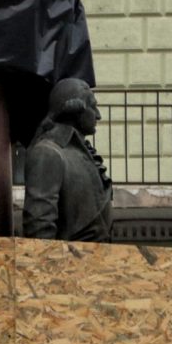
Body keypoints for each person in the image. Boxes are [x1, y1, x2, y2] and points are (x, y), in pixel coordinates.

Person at [21, 78, 113, 243]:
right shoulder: (48, 153)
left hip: (97, 262)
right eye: (93, 107)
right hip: (70, 265)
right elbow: (39, 226)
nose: (98, 115)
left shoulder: (80, 152)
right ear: (75, 109)